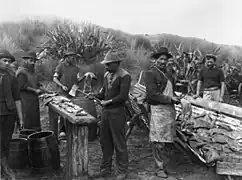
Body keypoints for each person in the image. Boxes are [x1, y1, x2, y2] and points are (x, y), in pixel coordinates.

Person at [87, 50, 131, 180]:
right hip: (106, 113)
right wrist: (95, 95)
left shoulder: (125, 76)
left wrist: (109, 101)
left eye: (109, 64)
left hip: (118, 112)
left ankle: (122, 170)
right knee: (105, 141)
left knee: (119, 142)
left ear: (117, 63)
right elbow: (103, 93)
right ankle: (105, 169)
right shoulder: (107, 75)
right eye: (106, 64)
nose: (106, 67)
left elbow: (123, 96)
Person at [144, 47, 179, 178]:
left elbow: (170, 90)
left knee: (168, 139)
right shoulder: (151, 73)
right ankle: (159, 168)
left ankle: (166, 165)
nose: (163, 62)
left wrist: (177, 98)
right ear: (155, 60)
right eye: (161, 59)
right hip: (158, 110)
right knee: (157, 140)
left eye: (165, 59)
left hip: (169, 110)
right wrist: (170, 99)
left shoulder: (168, 74)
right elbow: (152, 95)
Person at [0, 49, 23, 180]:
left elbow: (17, 98)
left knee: (6, 142)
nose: (7, 63)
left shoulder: (12, 77)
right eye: (4, 61)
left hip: (9, 113)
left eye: (9, 61)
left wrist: (20, 118)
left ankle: (5, 167)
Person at [16, 51, 43, 131]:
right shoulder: (21, 72)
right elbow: (22, 86)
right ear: (26, 61)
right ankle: (26, 138)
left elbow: (38, 84)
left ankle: (36, 137)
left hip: (34, 100)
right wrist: (35, 90)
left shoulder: (33, 72)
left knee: (34, 118)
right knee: (27, 119)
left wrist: (49, 92)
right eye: (31, 61)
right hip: (25, 101)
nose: (33, 63)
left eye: (34, 61)